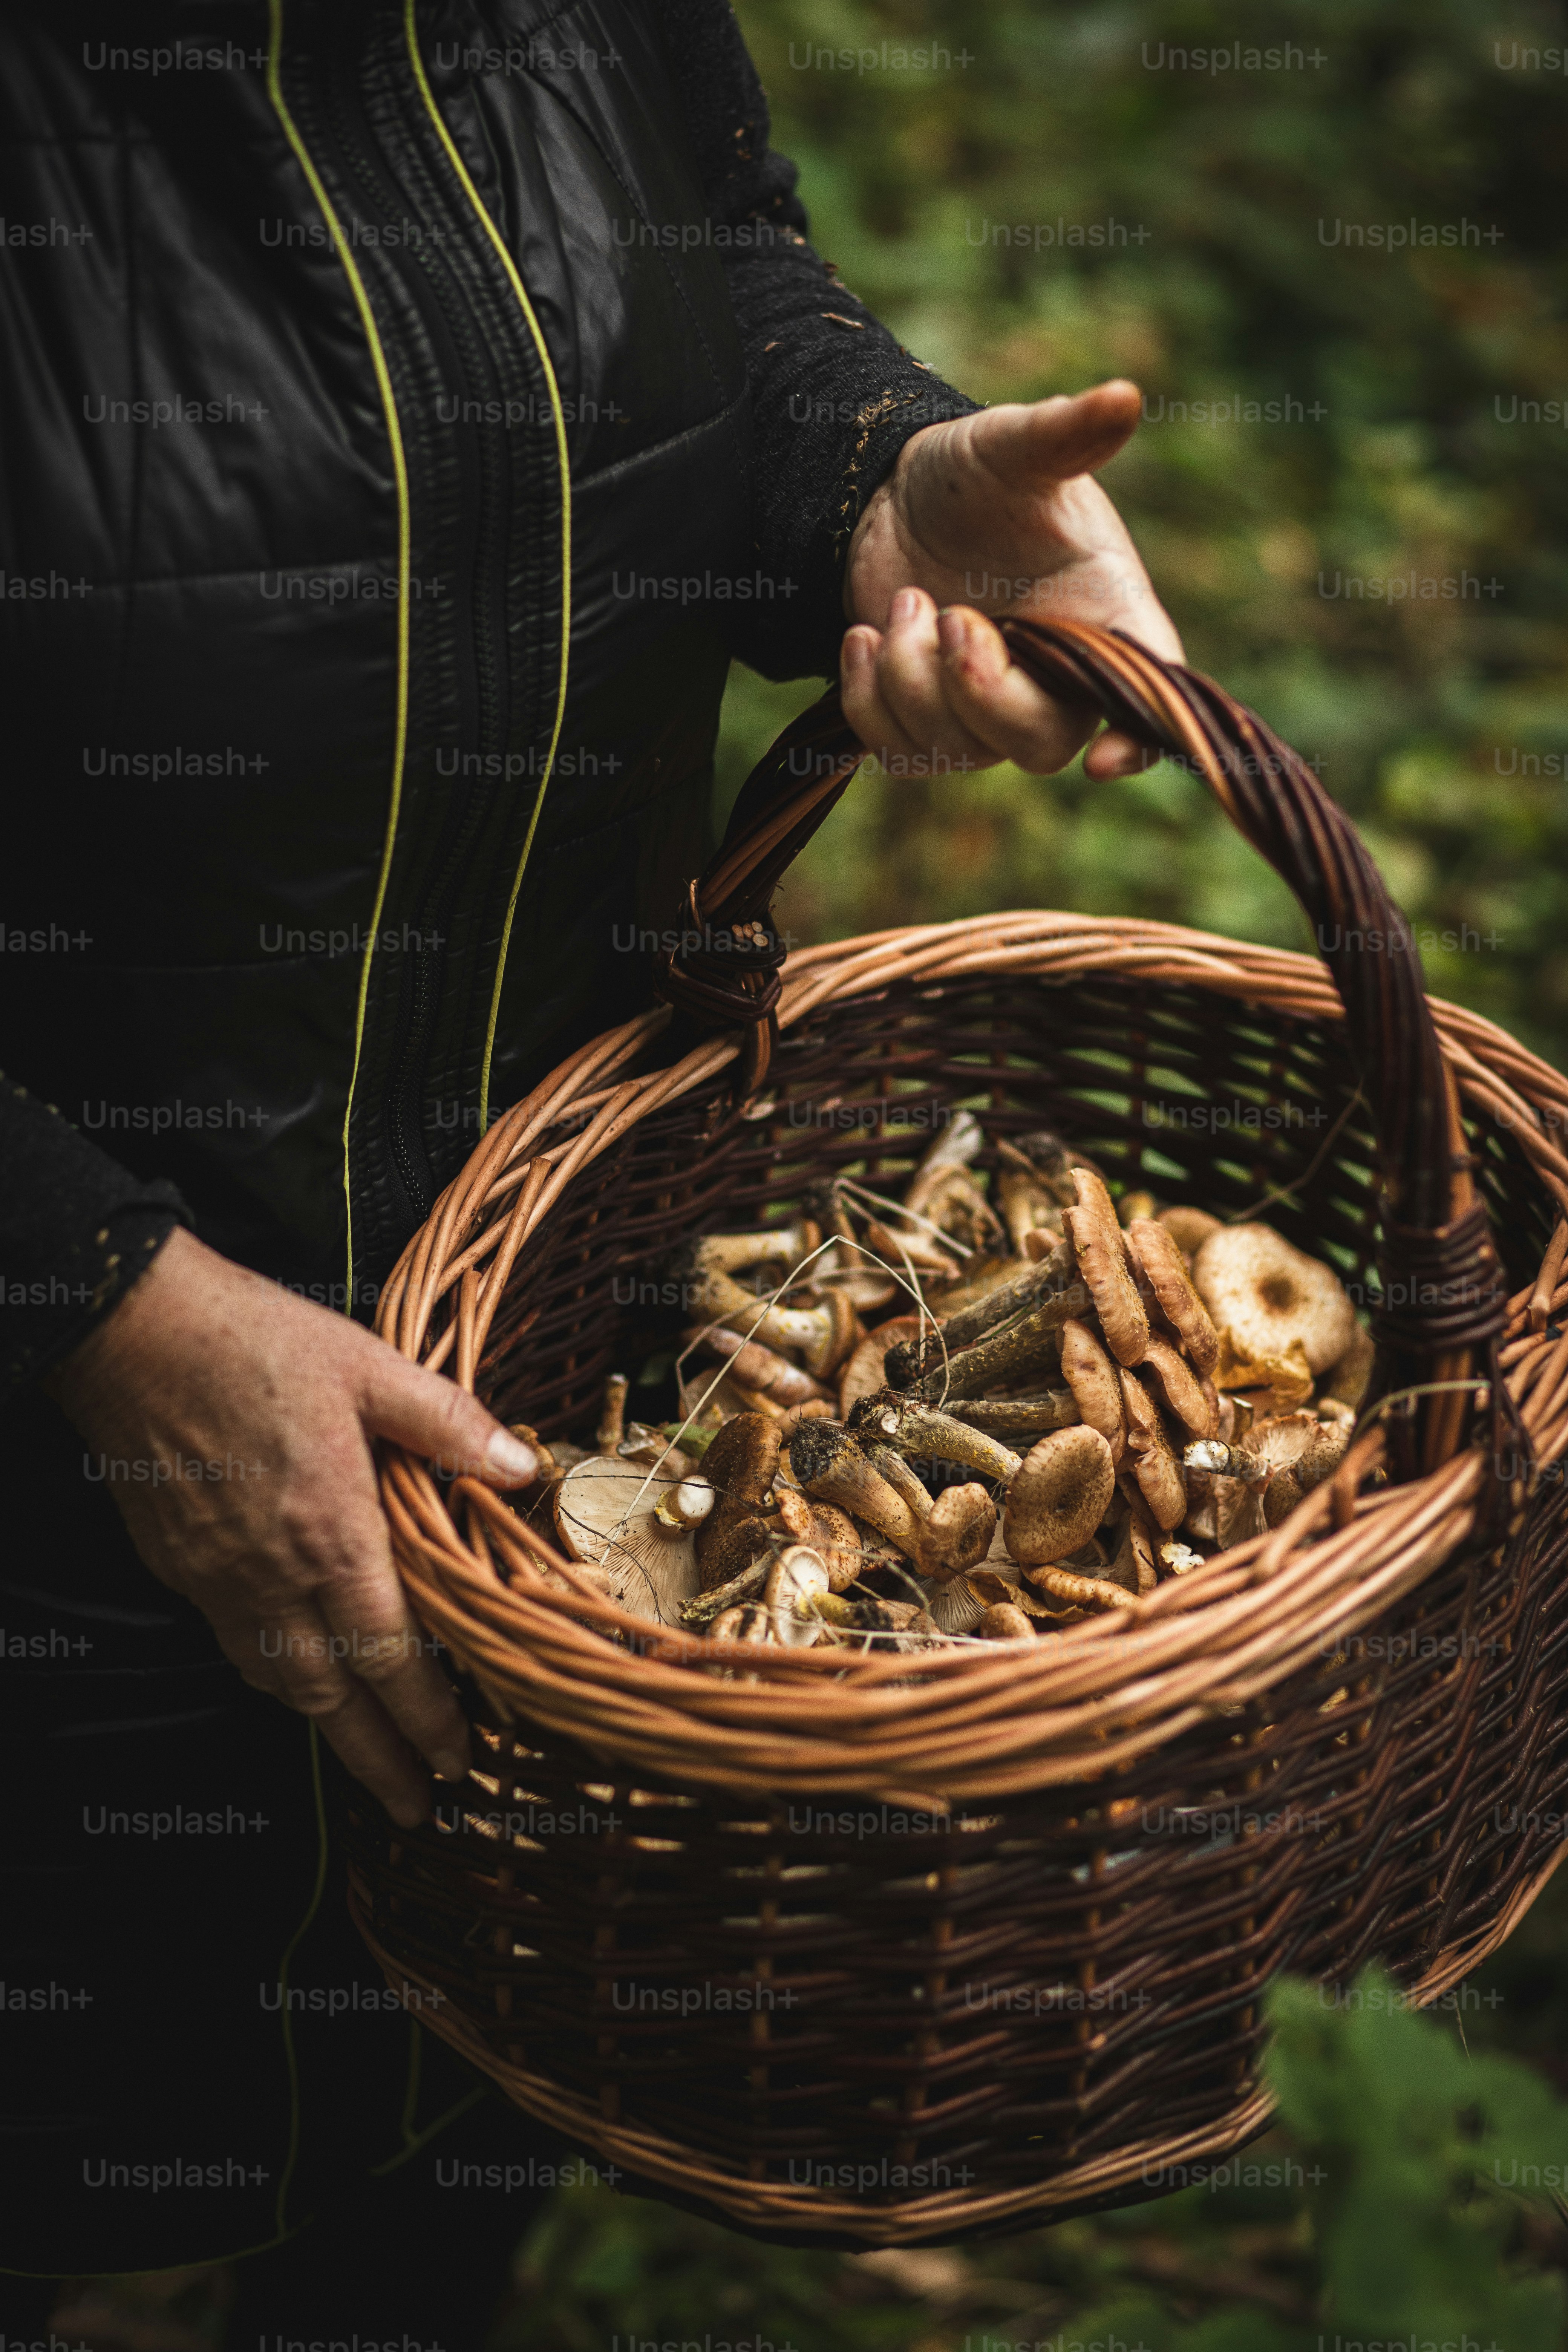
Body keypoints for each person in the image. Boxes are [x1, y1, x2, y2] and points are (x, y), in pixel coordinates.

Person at [0, 0, 1179, 2338]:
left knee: (457, 2121)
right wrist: (94, 1294)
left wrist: (873, 483)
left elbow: (703, 256)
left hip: (569, 1357)